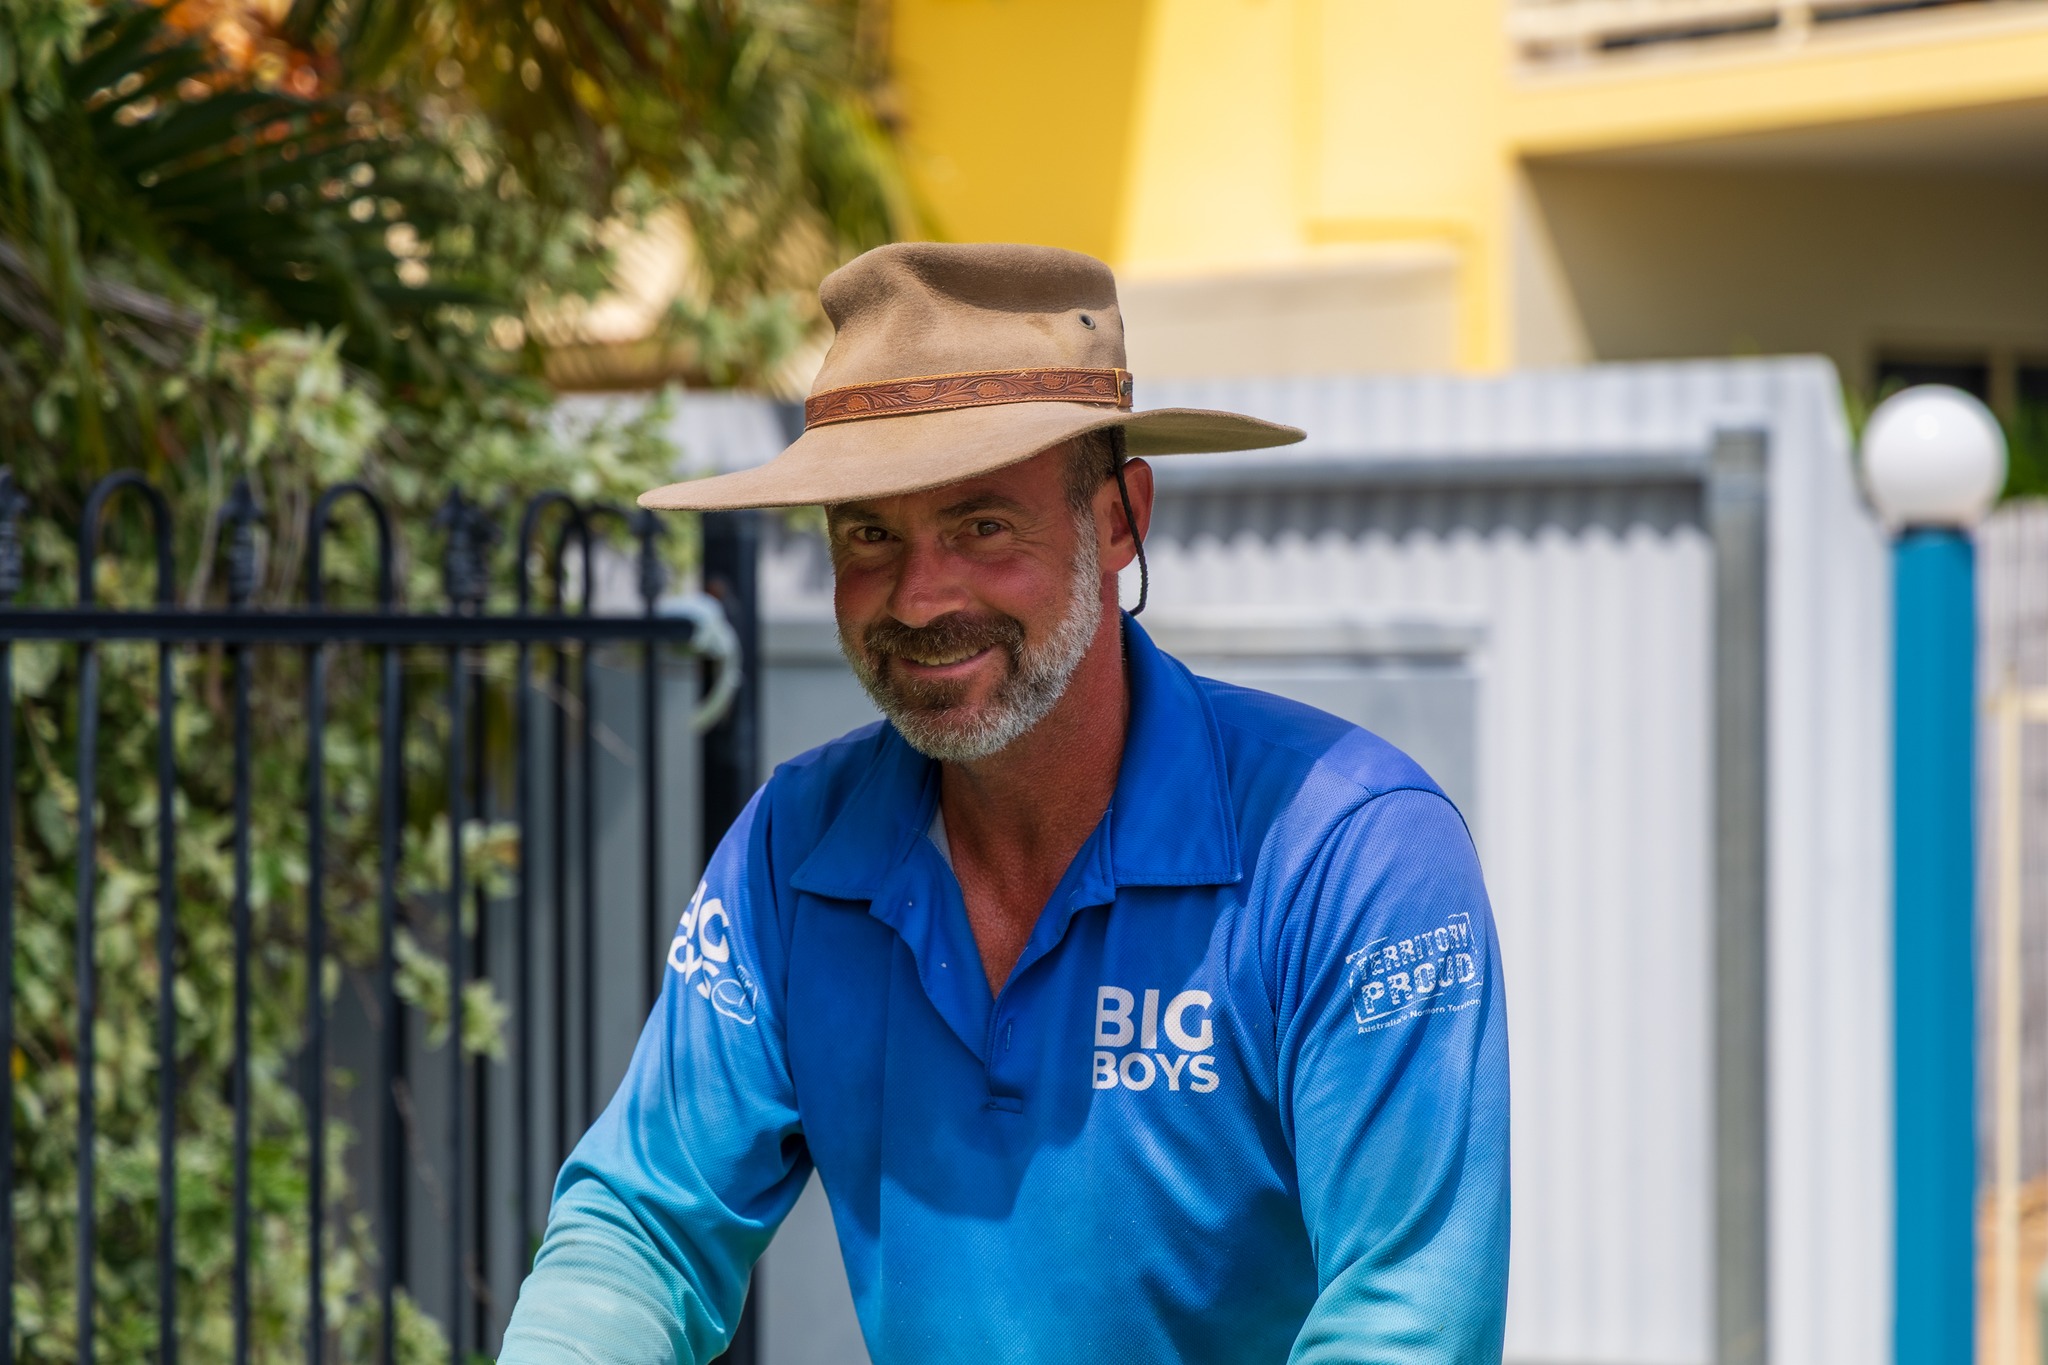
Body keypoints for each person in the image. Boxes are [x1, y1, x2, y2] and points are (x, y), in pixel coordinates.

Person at [498, 242, 1509, 1364]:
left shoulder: (1349, 852)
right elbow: (641, 1228)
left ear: (1119, 518)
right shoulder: (793, 848)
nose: (921, 595)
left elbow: (1407, 1322)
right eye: (869, 533)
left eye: (982, 525)